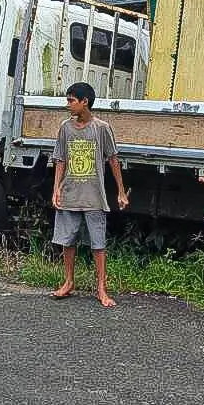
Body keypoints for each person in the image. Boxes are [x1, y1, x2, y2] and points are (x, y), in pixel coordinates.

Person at [49, 81, 129, 308]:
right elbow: (60, 159)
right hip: (70, 193)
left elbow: (113, 159)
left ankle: (101, 289)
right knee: (68, 240)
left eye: (72, 100)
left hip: (94, 195)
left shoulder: (101, 128)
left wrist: (121, 191)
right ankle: (68, 282)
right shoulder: (65, 127)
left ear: (85, 102)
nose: (68, 105)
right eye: (68, 100)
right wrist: (56, 189)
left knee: (98, 244)